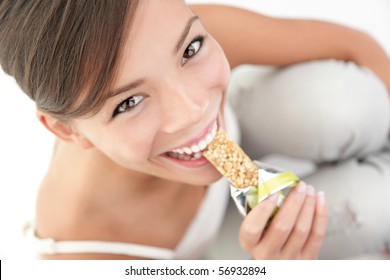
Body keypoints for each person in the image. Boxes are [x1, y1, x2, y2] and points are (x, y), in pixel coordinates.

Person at [0, 0, 389, 260]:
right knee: (377, 206)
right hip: (226, 250)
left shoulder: (160, 25)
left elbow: (354, 44)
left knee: (351, 100)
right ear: (67, 132)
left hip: (245, 116)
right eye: (128, 103)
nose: (193, 111)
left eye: (190, 51)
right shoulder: (85, 253)